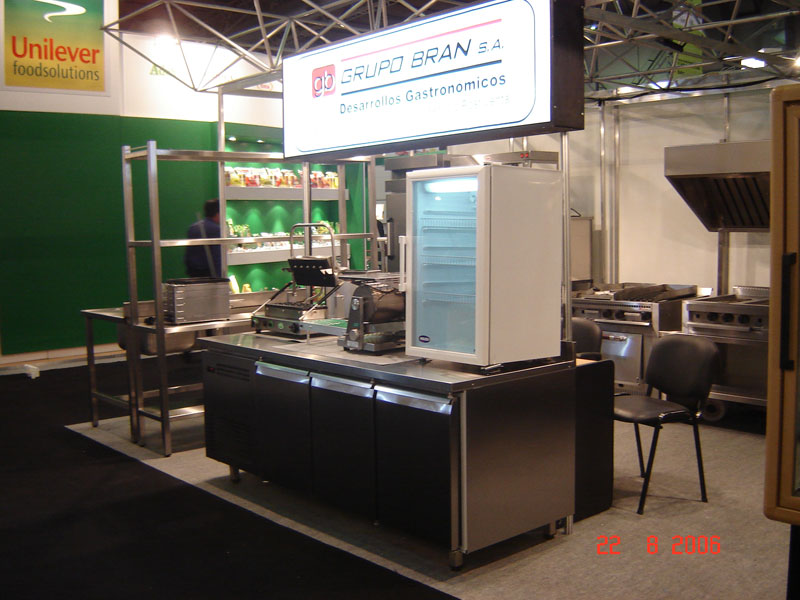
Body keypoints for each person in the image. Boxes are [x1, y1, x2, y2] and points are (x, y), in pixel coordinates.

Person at [184, 198, 222, 278]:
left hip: (193, 273)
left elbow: (188, 255)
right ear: (217, 213)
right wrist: (219, 277)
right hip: (209, 274)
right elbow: (217, 257)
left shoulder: (193, 227)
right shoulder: (216, 229)